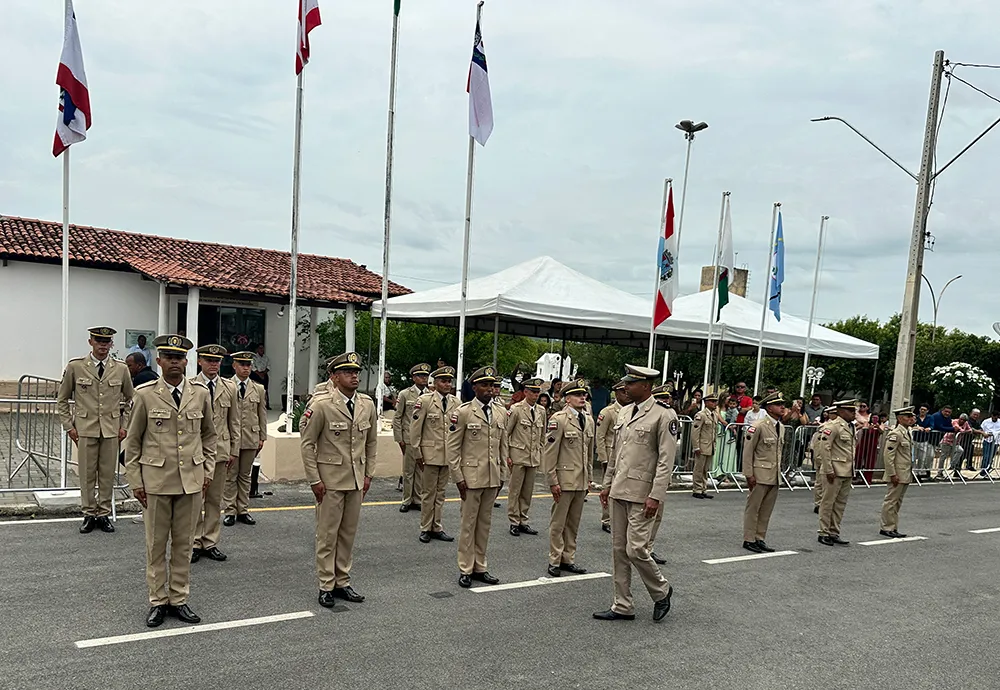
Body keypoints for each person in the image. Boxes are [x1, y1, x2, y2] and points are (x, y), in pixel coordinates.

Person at [124, 334, 216, 628]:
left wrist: (208, 471)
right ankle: (157, 601)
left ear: (186, 361)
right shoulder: (145, 394)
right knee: (156, 545)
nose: (175, 362)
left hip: (191, 481)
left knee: (184, 545)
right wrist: (136, 481)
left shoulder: (200, 394)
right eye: (169, 357)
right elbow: (133, 442)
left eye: (180, 357)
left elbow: (209, 436)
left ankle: (179, 599)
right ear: (160, 361)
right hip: (156, 482)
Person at [594, 365, 674, 623]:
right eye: (625, 384)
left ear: (646, 386)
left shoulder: (663, 416)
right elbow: (617, 454)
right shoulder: (625, 412)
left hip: (643, 493)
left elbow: (665, 460)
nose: (625, 388)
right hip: (619, 489)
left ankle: (661, 590)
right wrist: (606, 485)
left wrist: (656, 495)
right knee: (619, 549)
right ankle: (622, 605)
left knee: (636, 549)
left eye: (630, 384)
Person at [299, 352, 376, 607]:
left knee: (348, 534)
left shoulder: (367, 404)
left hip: (355, 479)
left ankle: (343, 580)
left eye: (356, 372)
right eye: (347, 372)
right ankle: (325, 584)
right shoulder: (321, 405)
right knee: (327, 535)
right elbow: (308, 444)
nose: (354, 376)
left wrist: (368, 474)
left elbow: (371, 442)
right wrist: (314, 480)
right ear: (334, 377)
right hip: (330, 480)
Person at [57, 326, 135, 534]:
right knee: (87, 473)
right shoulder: (76, 367)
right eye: (98, 340)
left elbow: (131, 399)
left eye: (106, 341)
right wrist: (69, 426)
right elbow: (62, 399)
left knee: (108, 474)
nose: (102, 345)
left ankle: (104, 514)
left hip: (111, 430)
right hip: (85, 428)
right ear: (90, 342)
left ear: (111, 344)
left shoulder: (120, 369)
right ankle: (89, 513)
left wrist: (124, 425)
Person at [448, 366, 509, 588]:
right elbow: (453, 448)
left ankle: (480, 566)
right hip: (471, 477)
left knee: (485, 524)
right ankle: (465, 567)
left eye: (492, 385)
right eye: (484, 385)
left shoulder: (501, 412)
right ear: (474, 387)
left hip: (492, 476)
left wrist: (503, 475)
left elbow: (504, 447)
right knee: (468, 524)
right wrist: (458, 478)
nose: (489, 389)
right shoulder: (463, 412)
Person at [190, 345, 240, 563]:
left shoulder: (229, 387)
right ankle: (193, 541)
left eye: (217, 361)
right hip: (195, 452)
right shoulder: (190, 386)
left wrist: (233, 450)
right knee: (194, 501)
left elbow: (234, 421)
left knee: (214, 499)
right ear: (200, 361)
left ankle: (210, 541)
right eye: (209, 360)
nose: (214, 364)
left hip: (220, 452)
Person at [542, 378, 593, 577]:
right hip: (564, 479)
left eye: (584, 394)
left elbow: (588, 452)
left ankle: (568, 558)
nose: (583, 398)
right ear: (567, 399)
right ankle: (554, 559)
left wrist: (588, 478)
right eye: (578, 395)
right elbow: (550, 453)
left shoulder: (587, 420)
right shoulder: (559, 419)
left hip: (580, 480)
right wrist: (553, 481)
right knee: (558, 523)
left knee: (573, 523)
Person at [410, 366, 459, 544]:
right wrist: (417, 453)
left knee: (441, 493)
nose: (447, 384)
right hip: (429, 454)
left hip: (447, 456)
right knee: (428, 493)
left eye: (449, 381)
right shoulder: (424, 401)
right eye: (443, 381)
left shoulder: (456, 403)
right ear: (435, 382)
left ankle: (437, 526)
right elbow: (415, 429)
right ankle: (425, 527)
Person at [224, 351, 267, 527]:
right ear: (234, 365)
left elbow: (261, 413)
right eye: (242, 364)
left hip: (250, 436)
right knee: (230, 476)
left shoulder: (258, 388)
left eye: (248, 365)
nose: (246, 368)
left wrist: (262, 437)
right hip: (232, 439)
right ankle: (230, 511)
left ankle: (243, 509)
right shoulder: (227, 386)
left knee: (245, 475)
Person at [741, 392, 786, 553]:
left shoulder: (780, 427)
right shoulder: (758, 426)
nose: (783, 407)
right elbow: (748, 451)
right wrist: (749, 474)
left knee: (766, 510)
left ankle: (760, 537)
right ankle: (749, 538)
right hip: (759, 474)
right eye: (778, 404)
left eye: (783, 404)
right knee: (753, 508)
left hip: (773, 475)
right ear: (769, 407)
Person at [504, 377, 546, 537]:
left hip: (532, 456)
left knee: (528, 491)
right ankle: (514, 521)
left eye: (538, 392)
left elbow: (542, 435)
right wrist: (507, 455)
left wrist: (540, 451)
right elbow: (506, 434)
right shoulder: (516, 409)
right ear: (525, 392)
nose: (536, 395)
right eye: (533, 392)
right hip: (518, 455)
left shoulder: (541, 411)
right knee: (515, 490)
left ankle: (523, 520)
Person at [815, 400, 858, 546]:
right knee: (827, 503)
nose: (854, 414)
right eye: (850, 411)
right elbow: (824, 448)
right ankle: (823, 532)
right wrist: (828, 469)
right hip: (834, 470)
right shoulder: (833, 426)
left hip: (846, 470)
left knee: (840, 504)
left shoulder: (850, 427)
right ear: (841, 411)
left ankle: (834, 531)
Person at [393, 363, 431, 512]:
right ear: (413, 377)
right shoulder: (405, 394)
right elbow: (398, 417)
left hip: (424, 439)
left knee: (421, 470)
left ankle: (417, 499)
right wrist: (399, 439)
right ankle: (407, 499)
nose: (424, 379)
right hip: (409, 438)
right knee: (408, 471)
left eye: (426, 376)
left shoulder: (430, 395)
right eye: (421, 376)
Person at [596, 381, 629, 533]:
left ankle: (620, 519)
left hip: (625, 457)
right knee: (608, 489)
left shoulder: (631, 410)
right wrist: (603, 459)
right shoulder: (608, 412)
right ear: (616, 393)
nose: (626, 393)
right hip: (610, 456)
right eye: (622, 391)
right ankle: (607, 519)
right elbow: (600, 437)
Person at [879, 406, 916, 539]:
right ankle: (886, 527)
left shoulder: (907, 432)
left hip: (905, 472)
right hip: (897, 473)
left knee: (897, 502)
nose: (911, 419)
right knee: (891, 501)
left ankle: (892, 526)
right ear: (900, 418)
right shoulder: (896, 433)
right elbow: (888, 456)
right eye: (907, 416)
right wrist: (892, 474)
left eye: (911, 416)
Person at [691, 393, 721, 499]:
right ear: (706, 402)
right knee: (699, 468)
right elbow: (695, 432)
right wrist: (696, 447)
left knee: (705, 469)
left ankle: (703, 488)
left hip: (710, 446)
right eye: (712, 401)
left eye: (715, 401)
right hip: (702, 446)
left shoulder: (714, 415)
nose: (715, 404)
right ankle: (697, 489)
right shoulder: (701, 415)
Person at [250, 344, 271, 409]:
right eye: (260, 348)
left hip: (264, 375)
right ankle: (256, 405)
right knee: (255, 389)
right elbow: (253, 367)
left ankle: (266, 405)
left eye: (262, 348)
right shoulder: (254, 357)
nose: (261, 349)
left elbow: (268, 366)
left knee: (265, 390)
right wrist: (259, 374)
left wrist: (263, 374)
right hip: (255, 375)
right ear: (257, 349)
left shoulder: (266, 357)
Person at [981, 411, 1000, 477]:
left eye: (997, 416)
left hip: (996, 441)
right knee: (986, 456)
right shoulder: (986, 421)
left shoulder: (999, 422)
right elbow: (981, 429)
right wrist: (984, 433)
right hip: (987, 440)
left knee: (991, 456)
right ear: (991, 415)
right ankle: (983, 470)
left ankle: (988, 469)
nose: (995, 418)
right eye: (994, 416)